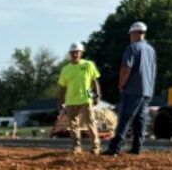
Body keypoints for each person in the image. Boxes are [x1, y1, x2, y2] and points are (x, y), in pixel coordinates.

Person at [105, 21, 157, 156]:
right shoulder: (151, 50)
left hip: (133, 90)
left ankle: (114, 148)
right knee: (140, 120)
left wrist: (121, 84)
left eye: (130, 34)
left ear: (134, 33)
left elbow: (126, 68)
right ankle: (137, 147)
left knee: (124, 119)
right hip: (147, 90)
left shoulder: (132, 48)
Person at [56, 42, 101, 154]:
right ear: (70, 54)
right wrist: (60, 102)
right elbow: (62, 88)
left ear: (81, 53)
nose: (75, 54)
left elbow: (94, 81)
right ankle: (76, 147)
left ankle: (95, 147)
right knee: (73, 125)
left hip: (86, 99)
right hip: (70, 101)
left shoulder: (88, 65)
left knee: (90, 123)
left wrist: (97, 95)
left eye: (77, 52)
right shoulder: (65, 70)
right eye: (73, 53)